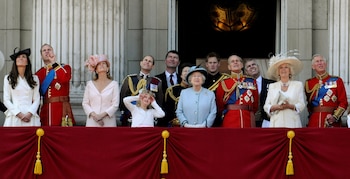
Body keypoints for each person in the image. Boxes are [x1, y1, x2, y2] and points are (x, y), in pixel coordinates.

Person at [35, 44, 75, 126]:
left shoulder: (65, 67)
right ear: (41, 55)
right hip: (46, 110)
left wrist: (54, 63)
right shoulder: (38, 73)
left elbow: (65, 78)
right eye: (44, 50)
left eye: (49, 49)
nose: (47, 51)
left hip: (62, 109)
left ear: (53, 52)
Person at [305, 54, 348, 128]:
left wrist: (334, 117)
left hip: (331, 121)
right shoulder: (309, 83)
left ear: (325, 64)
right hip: (314, 121)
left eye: (321, 61)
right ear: (313, 66)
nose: (320, 63)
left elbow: (343, 102)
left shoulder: (337, 80)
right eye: (317, 61)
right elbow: (308, 105)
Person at [216, 54, 259, 128]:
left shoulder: (252, 81)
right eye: (232, 61)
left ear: (242, 65)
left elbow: (255, 104)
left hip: (247, 118)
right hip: (230, 119)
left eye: (237, 61)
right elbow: (220, 104)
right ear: (229, 67)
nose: (235, 62)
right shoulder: (224, 82)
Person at [119, 55, 163, 126]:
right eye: (145, 60)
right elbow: (122, 98)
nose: (147, 62)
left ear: (152, 66)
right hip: (132, 115)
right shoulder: (130, 79)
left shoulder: (156, 81)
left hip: (148, 116)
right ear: (141, 63)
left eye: (150, 61)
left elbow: (159, 100)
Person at [263, 54, 306, 128]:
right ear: (278, 72)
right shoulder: (272, 86)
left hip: (293, 123)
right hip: (276, 124)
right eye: (281, 68)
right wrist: (275, 107)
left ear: (290, 71)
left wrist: (289, 106)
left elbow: (301, 105)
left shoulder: (297, 85)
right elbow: (266, 106)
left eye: (286, 67)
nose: (283, 70)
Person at [3, 48, 40, 126]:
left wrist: (29, 113)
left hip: (30, 115)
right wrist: (19, 114)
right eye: (18, 57)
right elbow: (6, 99)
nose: (21, 58)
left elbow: (36, 99)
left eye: (23, 56)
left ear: (27, 61)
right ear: (15, 61)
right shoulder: (8, 78)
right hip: (14, 115)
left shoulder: (35, 78)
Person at [82, 55, 120, 127]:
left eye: (104, 63)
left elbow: (115, 104)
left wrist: (101, 116)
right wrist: (94, 116)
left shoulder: (114, 84)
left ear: (108, 68)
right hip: (92, 122)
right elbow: (85, 103)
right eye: (99, 64)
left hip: (108, 122)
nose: (101, 65)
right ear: (95, 70)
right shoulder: (89, 84)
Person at [244, 58, 275, 127]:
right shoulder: (243, 86)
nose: (252, 67)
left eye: (253, 64)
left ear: (258, 67)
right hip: (249, 121)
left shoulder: (272, 84)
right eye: (249, 66)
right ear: (246, 71)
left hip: (268, 122)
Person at [203, 52, 230, 127]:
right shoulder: (202, 80)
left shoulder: (226, 79)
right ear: (206, 64)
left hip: (221, 114)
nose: (212, 65)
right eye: (210, 63)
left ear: (219, 64)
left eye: (214, 62)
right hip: (205, 115)